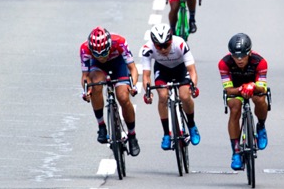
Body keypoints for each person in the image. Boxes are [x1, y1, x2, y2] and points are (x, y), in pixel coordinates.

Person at [80, 26, 141, 156]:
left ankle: (132, 135)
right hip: (98, 67)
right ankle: (101, 126)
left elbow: (133, 68)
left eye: (104, 53)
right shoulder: (84, 49)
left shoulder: (120, 42)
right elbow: (85, 76)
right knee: (95, 86)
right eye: (96, 54)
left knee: (123, 97)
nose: (101, 56)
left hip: (118, 64)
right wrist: (86, 90)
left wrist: (133, 85)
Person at [139, 23, 201, 150]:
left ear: (171, 40)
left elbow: (192, 70)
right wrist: (147, 92)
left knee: (184, 95)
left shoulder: (180, 44)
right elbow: (146, 76)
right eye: (159, 46)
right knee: (162, 96)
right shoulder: (147, 48)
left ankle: (191, 125)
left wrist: (193, 87)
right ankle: (167, 134)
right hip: (162, 70)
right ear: (153, 43)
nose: (162, 49)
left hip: (181, 69)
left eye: (166, 45)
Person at [218, 32, 269, 171]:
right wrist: (241, 88)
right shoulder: (224, 63)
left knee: (260, 99)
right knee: (234, 108)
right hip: (236, 88)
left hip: (254, 86)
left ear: (250, 53)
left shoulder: (260, 62)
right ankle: (235, 151)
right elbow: (228, 90)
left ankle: (261, 126)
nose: (239, 59)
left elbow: (262, 87)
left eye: (242, 56)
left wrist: (253, 86)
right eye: (235, 56)